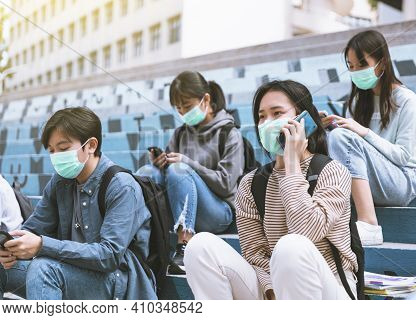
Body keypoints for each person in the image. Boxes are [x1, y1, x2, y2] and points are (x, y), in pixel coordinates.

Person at [184, 80, 358, 300]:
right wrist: (273, 290)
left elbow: (305, 233)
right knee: (199, 246)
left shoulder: (332, 171)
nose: (267, 123)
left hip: (330, 288)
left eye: (277, 113)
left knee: (290, 246)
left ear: (303, 120)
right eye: (261, 116)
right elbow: (254, 255)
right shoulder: (250, 184)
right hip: (273, 290)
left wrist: (291, 166)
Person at [0, 107, 156, 300]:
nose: (57, 156)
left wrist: (42, 245)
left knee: (44, 269)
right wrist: (11, 247)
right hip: (69, 271)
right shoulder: (60, 182)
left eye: (63, 149)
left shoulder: (122, 186)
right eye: (52, 151)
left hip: (117, 283)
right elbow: (33, 228)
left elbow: (109, 256)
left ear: (90, 145)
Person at [137, 71, 245, 275]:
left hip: (219, 211)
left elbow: (226, 184)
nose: (184, 113)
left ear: (206, 99)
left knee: (179, 169)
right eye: (179, 109)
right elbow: (170, 172)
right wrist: (161, 163)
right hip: (186, 204)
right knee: (147, 172)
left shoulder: (229, 133)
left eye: (187, 107)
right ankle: (143, 240)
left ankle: (184, 246)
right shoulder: (181, 133)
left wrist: (188, 163)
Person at [322, 30, 416, 246]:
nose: (355, 71)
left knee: (343, 137)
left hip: (401, 181)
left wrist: (364, 132)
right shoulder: (358, 103)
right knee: (331, 137)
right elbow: (351, 155)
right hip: (367, 181)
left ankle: (369, 223)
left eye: (362, 64)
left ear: (382, 63)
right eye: (351, 66)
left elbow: (404, 157)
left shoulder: (406, 100)